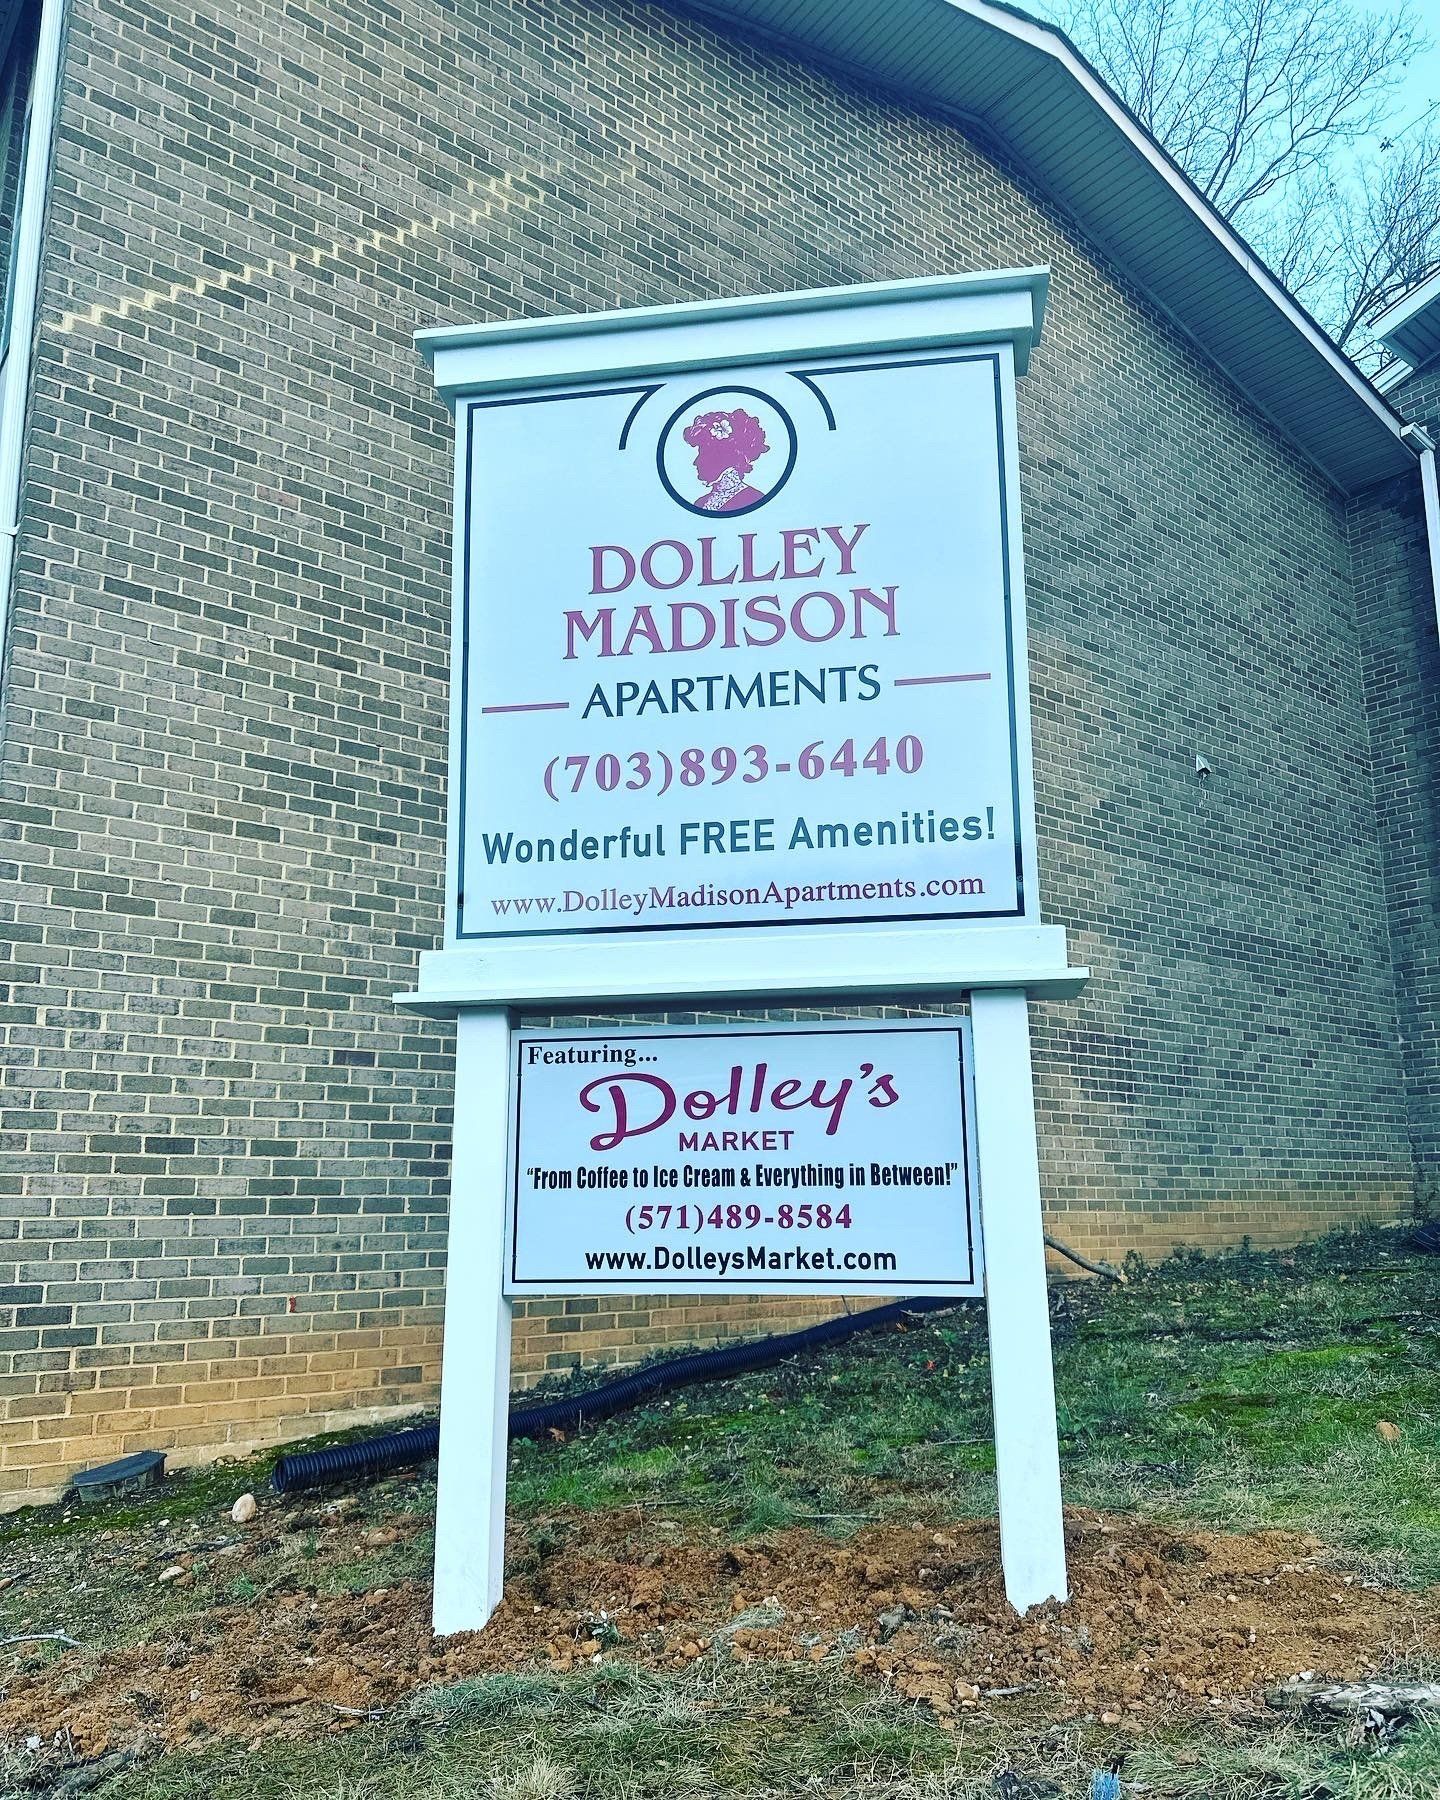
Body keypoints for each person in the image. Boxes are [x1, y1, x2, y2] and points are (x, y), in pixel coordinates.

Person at [683, 407, 769, 511]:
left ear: (724, 456)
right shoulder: (700, 503)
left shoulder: (755, 499)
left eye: (704, 454)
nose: (695, 462)